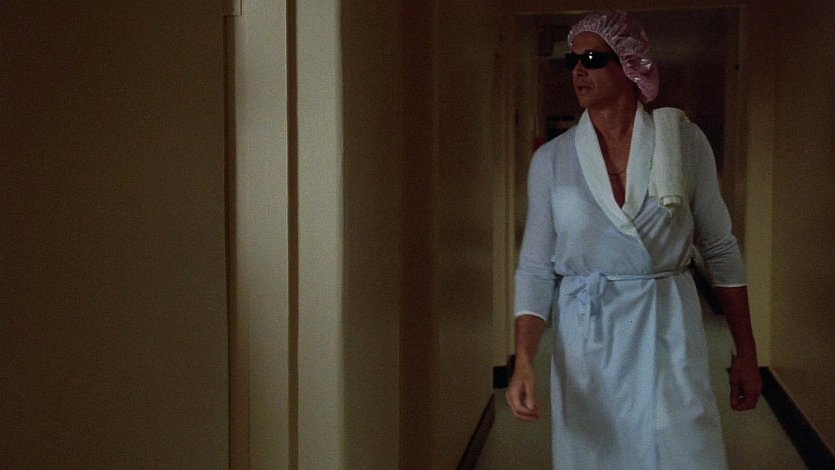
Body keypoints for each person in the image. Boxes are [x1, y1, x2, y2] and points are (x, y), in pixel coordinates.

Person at [505, 11, 762, 469]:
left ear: (630, 64)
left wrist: (746, 352)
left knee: (685, 450)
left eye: (591, 59)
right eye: (571, 61)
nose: (578, 71)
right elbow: (536, 268)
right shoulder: (553, 161)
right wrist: (523, 358)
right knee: (597, 455)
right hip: (590, 339)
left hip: (667, 325)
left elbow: (720, 248)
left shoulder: (683, 144)